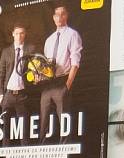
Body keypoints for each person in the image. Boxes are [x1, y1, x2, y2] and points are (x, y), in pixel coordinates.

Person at [39, 4, 82, 143]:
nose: (59, 17)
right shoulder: (49, 40)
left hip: (62, 82)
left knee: (64, 122)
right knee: (43, 122)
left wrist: (67, 85)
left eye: (62, 14)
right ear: (53, 18)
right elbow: (45, 64)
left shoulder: (72, 34)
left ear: (66, 16)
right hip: (47, 85)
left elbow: (75, 61)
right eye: (57, 15)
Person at [0, 23, 34, 146]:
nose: (19, 36)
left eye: (22, 33)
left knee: (24, 130)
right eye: (17, 33)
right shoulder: (6, 51)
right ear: (13, 34)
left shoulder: (31, 49)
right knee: (5, 129)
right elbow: (1, 75)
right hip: (8, 96)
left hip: (22, 95)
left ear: (25, 34)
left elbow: (34, 71)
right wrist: (1, 95)